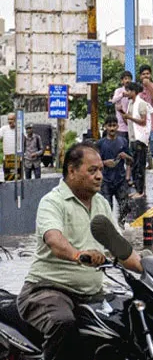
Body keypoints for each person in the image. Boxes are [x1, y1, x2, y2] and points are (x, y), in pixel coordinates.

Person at [17, 143, 144, 360]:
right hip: (48, 290)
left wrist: (149, 269)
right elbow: (55, 240)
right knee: (63, 323)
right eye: (92, 170)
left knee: (131, 319)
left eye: (101, 170)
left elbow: (119, 249)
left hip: (93, 294)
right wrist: (78, 255)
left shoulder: (102, 204)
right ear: (72, 171)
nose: (99, 176)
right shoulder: (53, 202)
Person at [119, 82, 153, 199]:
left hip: (140, 139)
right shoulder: (130, 104)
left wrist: (129, 117)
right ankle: (137, 189)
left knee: (140, 165)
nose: (126, 93)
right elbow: (127, 120)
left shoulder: (141, 104)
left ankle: (140, 191)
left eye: (128, 91)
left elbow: (143, 121)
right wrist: (122, 113)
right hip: (132, 138)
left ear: (134, 92)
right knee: (134, 165)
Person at [96, 116, 133, 225]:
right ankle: (109, 228)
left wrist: (126, 156)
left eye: (114, 125)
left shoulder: (123, 141)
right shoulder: (100, 144)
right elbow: (93, 163)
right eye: (109, 126)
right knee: (107, 208)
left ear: (117, 126)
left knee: (124, 206)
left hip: (120, 180)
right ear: (105, 127)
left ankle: (122, 226)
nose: (112, 128)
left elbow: (131, 161)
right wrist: (104, 163)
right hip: (105, 181)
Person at [111, 70, 133, 185]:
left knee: (129, 152)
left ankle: (128, 177)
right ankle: (119, 175)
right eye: (125, 78)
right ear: (122, 81)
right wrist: (122, 95)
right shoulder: (118, 91)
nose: (127, 80)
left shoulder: (133, 91)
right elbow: (113, 100)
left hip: (131, 126)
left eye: (129, 78)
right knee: (119, 151)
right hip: (120, 127)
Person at [0, 112, 20, 181]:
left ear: (15, 120)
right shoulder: (3, 129)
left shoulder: (20, 129)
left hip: (18, 159)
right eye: (8, 119)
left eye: (11, 119)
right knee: (7, 179)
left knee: (18, 179)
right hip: (7, 159)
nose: (10, 121)